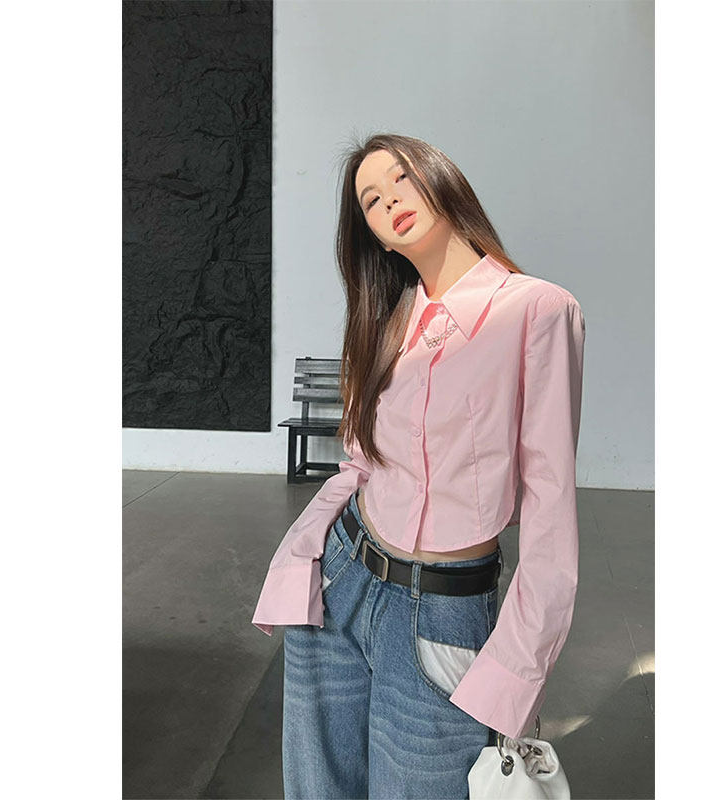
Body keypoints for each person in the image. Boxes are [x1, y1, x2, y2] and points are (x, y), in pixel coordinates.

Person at [251, 133, 586, 799]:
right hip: (342, 581)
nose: (390, 201)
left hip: (444, 611)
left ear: (440, 176)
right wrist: (303, 556)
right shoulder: (384, 320)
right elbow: (360, 463)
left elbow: (551, 510)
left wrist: (515, 674)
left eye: (400, 178)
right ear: (373, 236)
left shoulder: (539, 310)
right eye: (371, 201)